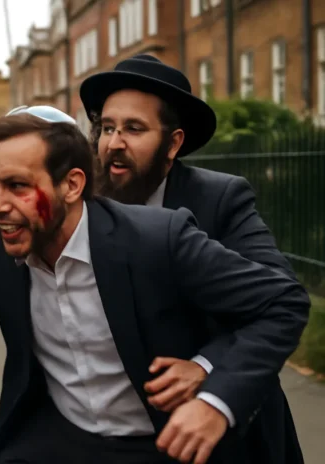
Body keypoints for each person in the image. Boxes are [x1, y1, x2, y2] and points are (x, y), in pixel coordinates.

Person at [0, 105, 311, 464]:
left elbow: (283, 303)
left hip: (163, 442)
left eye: (17, 186)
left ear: (72, 185)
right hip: (54, 442)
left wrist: (216, 400)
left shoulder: (157, 240)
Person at [79, 54, 303, 464]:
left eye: (134, 128)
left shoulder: (219, 198)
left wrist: (206, 366)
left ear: (174, 143)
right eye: (107, 128)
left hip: (222, 437)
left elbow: (281, 298)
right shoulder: (85, 203)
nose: (114, 143)